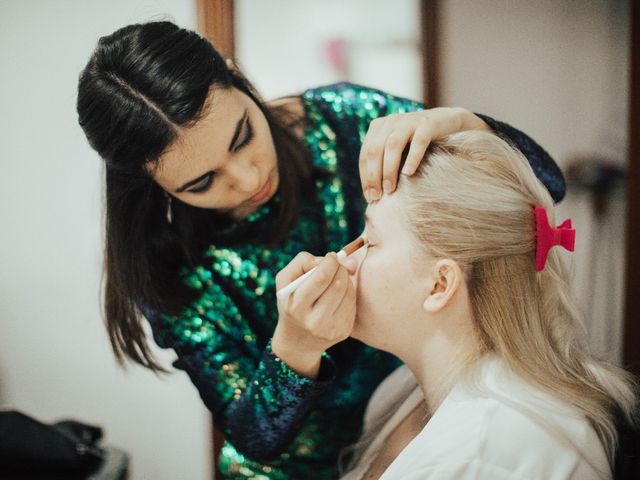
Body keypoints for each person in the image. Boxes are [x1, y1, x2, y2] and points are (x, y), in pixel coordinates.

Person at [76, 21, 566, 479]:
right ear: (152, 184)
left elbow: (547, 186)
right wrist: (294, 349)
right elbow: (253, 437)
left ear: (237, 80)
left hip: (411, 417)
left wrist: (463, 122)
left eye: (243, 136)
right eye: (202, 182)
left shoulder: (346, 121)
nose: (248, 180)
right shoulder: (170, 267)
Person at [338, 131, 638, 479]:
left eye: (369, 242)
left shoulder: (480, 456)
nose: (344, 258)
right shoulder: (399, 393)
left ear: (440, 285)